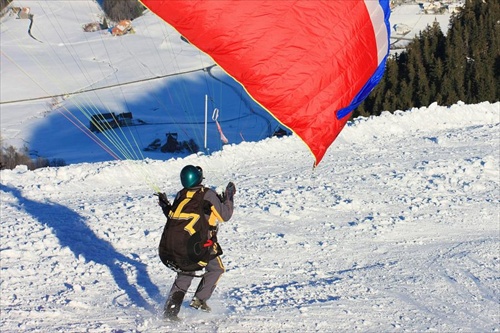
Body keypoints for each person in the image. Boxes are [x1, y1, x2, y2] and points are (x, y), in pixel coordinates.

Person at [157, 165, 235, 320]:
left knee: (186, 272)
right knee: (216, 269)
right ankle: (200, 299)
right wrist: (229, 197)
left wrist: (165, 204)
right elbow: (225, 216)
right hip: (199, 246)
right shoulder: (207, 194)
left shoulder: (182, 194)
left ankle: (170, 312)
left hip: (179, 246)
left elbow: (175, 216)